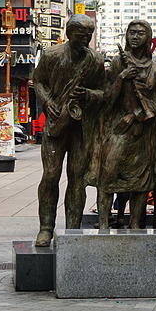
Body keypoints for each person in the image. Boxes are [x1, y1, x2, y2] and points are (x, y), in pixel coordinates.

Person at [32, 14, 105, 246]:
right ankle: (45, 227)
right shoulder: (52, 55)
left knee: (77, 179)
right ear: (68, 33)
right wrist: (47, 102)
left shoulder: (95, 60)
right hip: (56, 122)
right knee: (51, 175)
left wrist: (88, 95)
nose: (85, 39)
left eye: (89, 35)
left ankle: (73, 229)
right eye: (80, 35)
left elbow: (103, 92)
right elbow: (38, 81)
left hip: (82, 126)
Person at [95, 20, 156, 230]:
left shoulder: (155, 65)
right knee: (107, 174)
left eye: (140, 33)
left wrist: (134, 115)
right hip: (118, 128)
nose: (135, 36)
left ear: (148, 37)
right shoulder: (118, 62)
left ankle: (135, 224)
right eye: (131, 32)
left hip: (143, 131)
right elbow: (107, 99)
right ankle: (104, 222)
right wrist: (121, 78)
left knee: (140, 182)